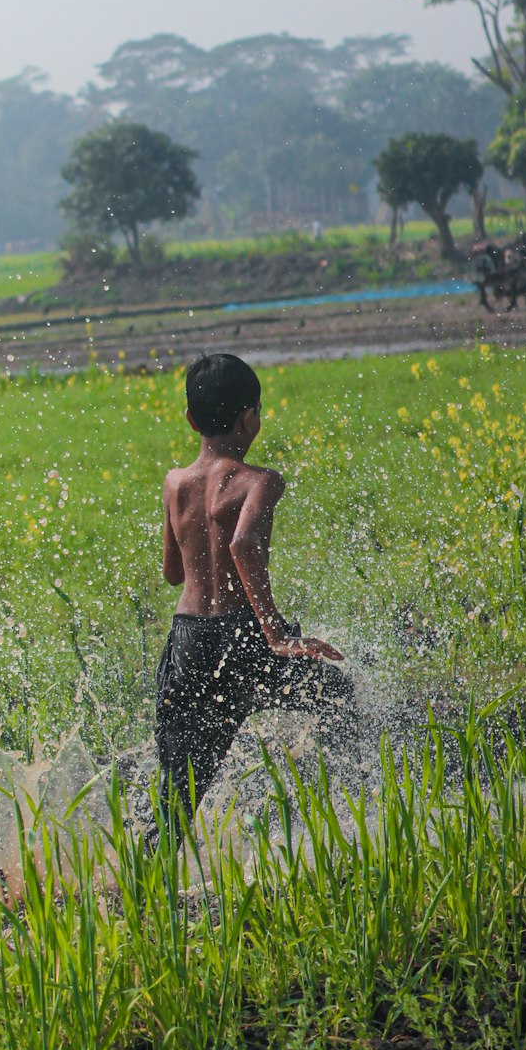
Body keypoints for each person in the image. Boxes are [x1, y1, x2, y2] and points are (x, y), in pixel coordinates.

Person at [154, 352, 358, 839]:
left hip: (186, 642)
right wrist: (276, 633)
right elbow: (242, 544)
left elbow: (172, 573)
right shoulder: (259, 481)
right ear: (251, 418)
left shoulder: (174, 483)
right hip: (240, 637)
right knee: (342, 697)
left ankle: (144, 884)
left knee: (178, 791)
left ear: (190, 419)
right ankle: (356, 809)